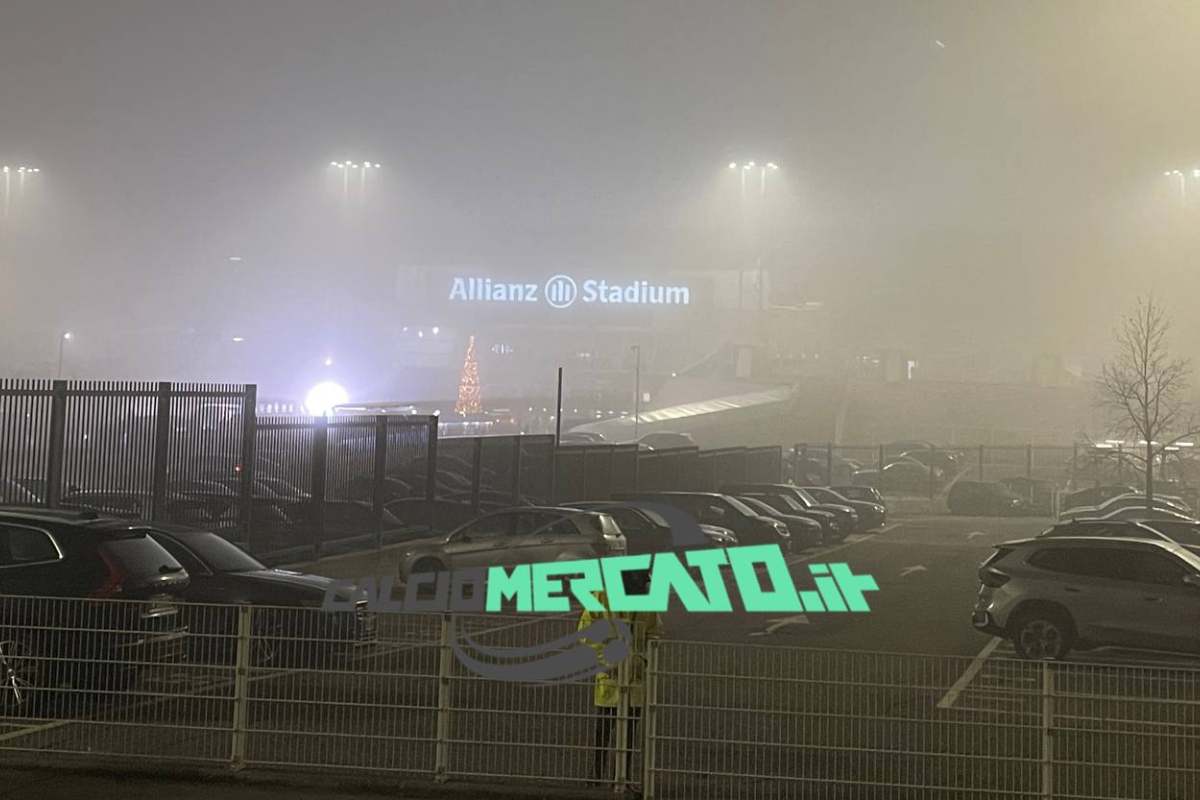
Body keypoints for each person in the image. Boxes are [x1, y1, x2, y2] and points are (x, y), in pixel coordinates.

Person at [577, 568, 663, 792]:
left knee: (629, 732)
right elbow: (585, 631)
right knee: (604, 729)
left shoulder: (645, 600)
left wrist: (642, 660)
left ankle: (621, 778)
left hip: (633, 676)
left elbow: (654, 633)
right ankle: (596, 774)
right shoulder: (602, 596)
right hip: (610, 674)